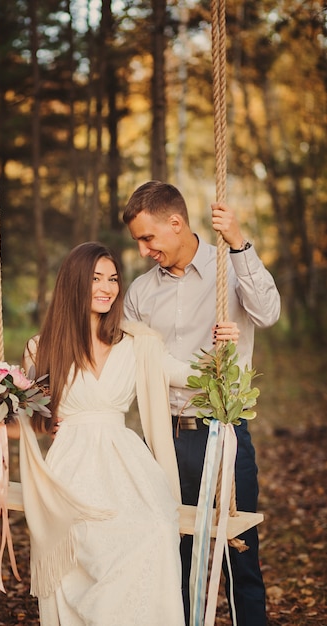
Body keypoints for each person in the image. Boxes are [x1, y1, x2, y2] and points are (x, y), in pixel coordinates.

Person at [0, 241, 239, 625]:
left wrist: (222, 355)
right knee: (93, 538)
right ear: (74, 284)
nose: (106, 287)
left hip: (125, 462)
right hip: (72, 464)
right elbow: (37, 421)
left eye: (113, 279)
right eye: (96, 279)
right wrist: (2, 426)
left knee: (154, 529)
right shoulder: (42, 348)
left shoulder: (137, 343)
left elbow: (188, 376)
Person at [122, 181, 281, 626]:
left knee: (241, 554)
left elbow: (268, 313)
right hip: (165, 438)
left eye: (147, 238)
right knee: (176, 554)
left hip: (223, 431)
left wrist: (239, 243)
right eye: (138, 240)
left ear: (176, 223)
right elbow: (132, 364)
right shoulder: (138, 292)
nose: (142, 250)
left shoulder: (229, 266)